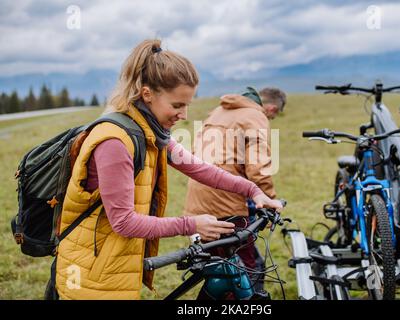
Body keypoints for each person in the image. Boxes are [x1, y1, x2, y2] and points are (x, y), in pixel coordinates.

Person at [53, 39, 282, 300]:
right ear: (147, 94)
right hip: (90, 274)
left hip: (113, 264)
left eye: (187, 105)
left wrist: (253, 190)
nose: (184, 115)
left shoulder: (152, 133)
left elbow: (200, 169)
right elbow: (124, 222)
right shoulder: (115, 142)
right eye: (176, 105)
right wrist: (191, 225)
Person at [183, 86, 287, 293]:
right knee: (250, 267)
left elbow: (194, 151)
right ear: (272, 108)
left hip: (198, 196)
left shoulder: (218, 111)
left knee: (218, 267)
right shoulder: (255, 116)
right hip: (225, 201)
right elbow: (259, 167)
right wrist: (269, 202)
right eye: (273, 116)